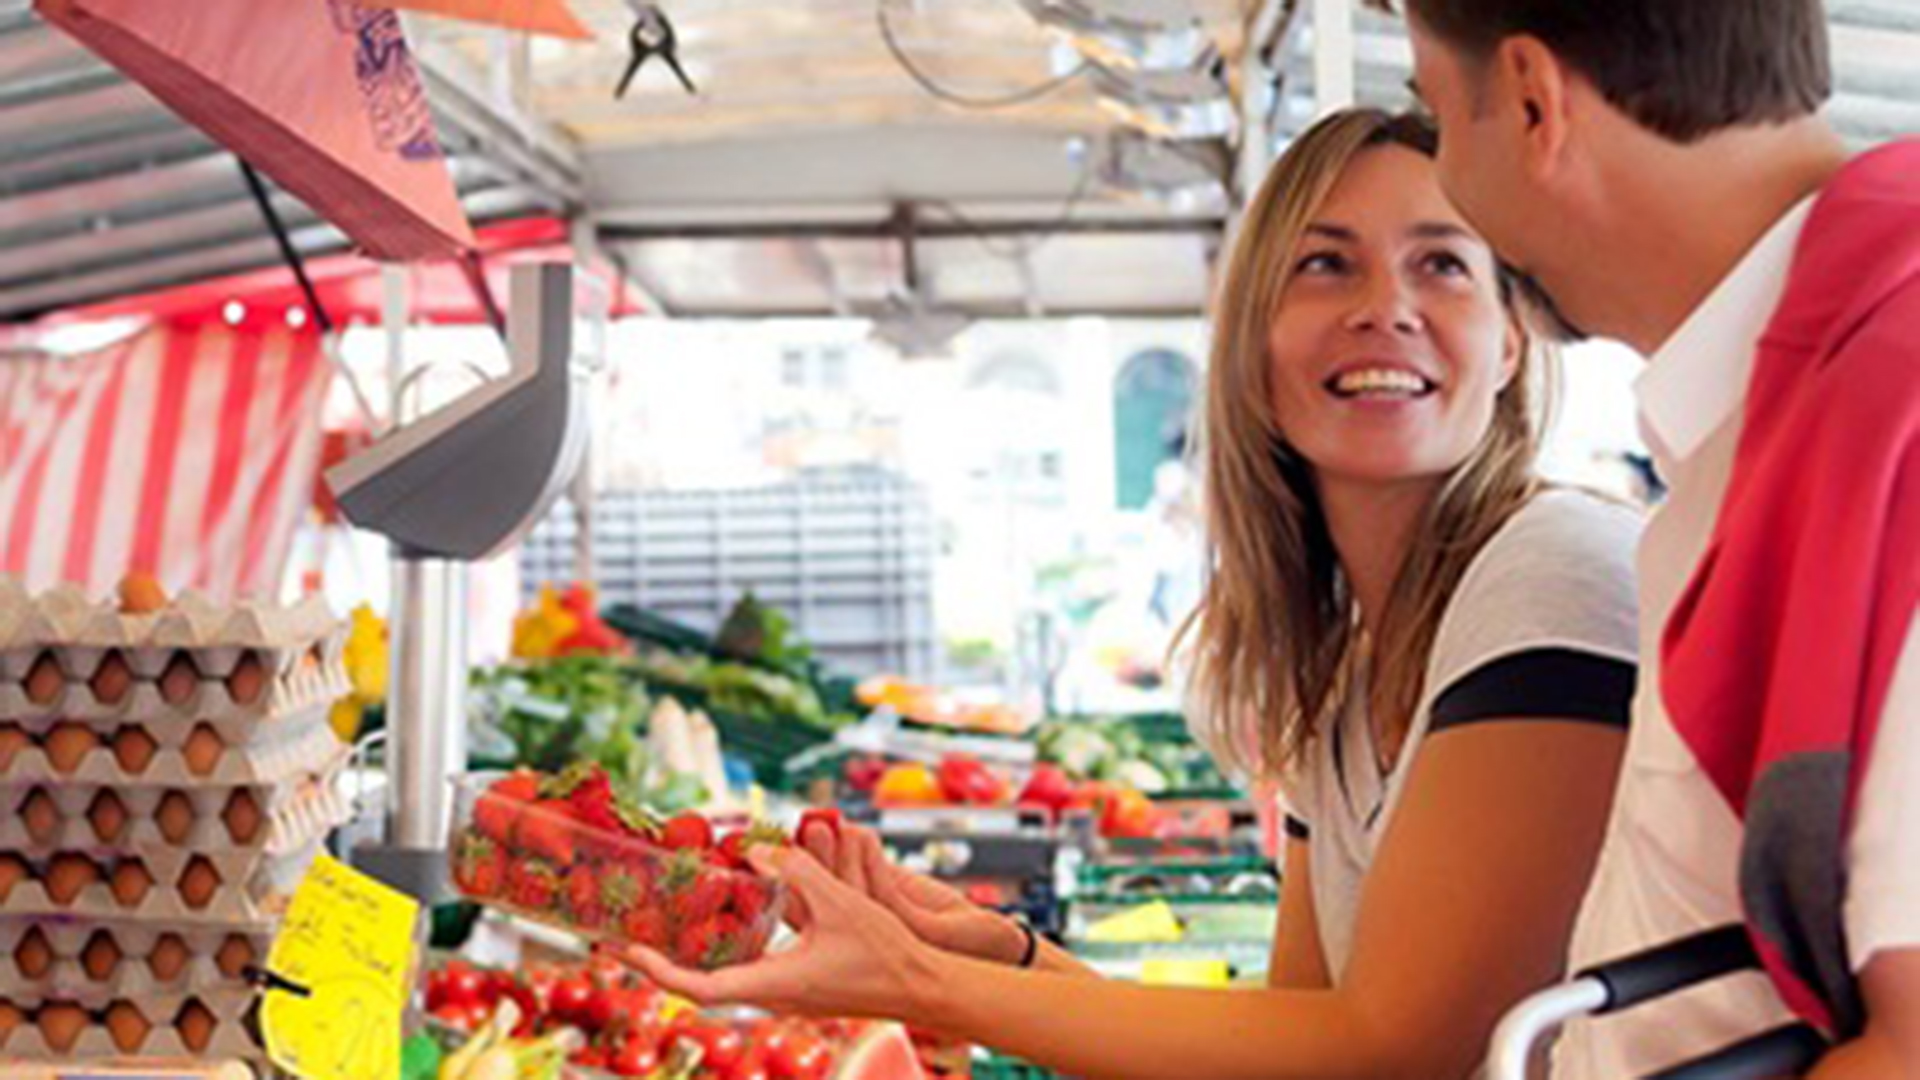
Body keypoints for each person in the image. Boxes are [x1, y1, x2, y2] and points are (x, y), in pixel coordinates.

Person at [625, 107, 1644, 1080]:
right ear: (1251, 344)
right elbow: (1292, 1040)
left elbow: (1390, 1051)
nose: (1385, 305)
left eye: (1443, 265)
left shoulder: (1552, 570)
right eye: (1326, 264)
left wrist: (921, 981)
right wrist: (999, 957)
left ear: (1512, 343)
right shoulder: (1343, 680)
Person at [1373, 0, 1920, 1074]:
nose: (1452, 185)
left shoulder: (1889, 423)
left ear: (1534, 103)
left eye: (1442, 119)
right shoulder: (1775, 421)